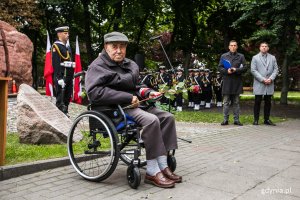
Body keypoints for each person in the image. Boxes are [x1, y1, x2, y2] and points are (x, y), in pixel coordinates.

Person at [85, 31, 182, 188]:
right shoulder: (97, 66)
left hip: (137, 104)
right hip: (116, 108)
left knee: (167, 117)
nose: (119, 50)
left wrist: (149, 92)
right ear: (106, 47)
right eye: (114, 46)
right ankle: (151, 171)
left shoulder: (130, 64)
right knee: (151, 121)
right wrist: (127, 98)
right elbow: (94, 93)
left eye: (122, 47)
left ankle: (163, 165)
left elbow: (137, 86)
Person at [218, 40, 247, 126]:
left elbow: (245, 68)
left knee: (236, 102)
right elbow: (219, 67)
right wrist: (226, 71)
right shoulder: (224, 56)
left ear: (237, 46)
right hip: (227, 81)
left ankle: (236, 120)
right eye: (231, 45)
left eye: (235, 45)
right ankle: (225, 119)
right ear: (229, 47)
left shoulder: (241, 56)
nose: (233, 47)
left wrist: (236, 70)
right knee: (226, 102)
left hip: (237, 81)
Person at [250, 42, 278, 126]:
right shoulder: (255, 58)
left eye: (266, 46)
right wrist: (263, 79)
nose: (264, 48)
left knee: (268, 102)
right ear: (260, 48)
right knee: (257, 102)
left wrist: (270, 79)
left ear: (268, 48)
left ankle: (267, 119)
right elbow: (253, 70)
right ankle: (256, 120)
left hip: (269, 83)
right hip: (259, 83)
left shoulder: (272, 58)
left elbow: (276, 69)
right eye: (262, 46)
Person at [52, 26, 74, 115]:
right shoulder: (56, 46)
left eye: (68, 33)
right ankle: (60, 115)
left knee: (67, 96)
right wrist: (59, 77)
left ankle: (66, 112)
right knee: (60, 97)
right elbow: (56, 63)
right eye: (65, 33)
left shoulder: (67, 47)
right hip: (61, 76)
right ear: (59, 34)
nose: (67, 35)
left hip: (68, 75)